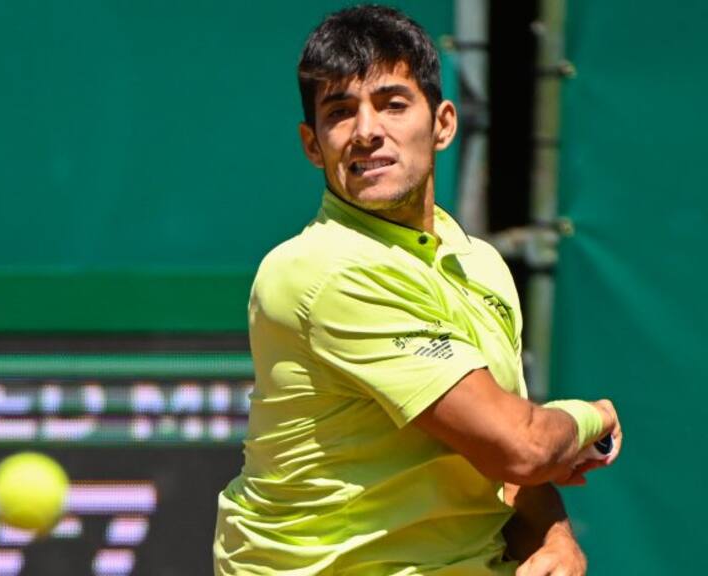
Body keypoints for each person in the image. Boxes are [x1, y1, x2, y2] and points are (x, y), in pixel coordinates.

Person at [213, 5, 622, 575]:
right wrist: (590, 416)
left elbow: (498, 465)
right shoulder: (325, 270)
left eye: (392, 104)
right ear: (313, 145)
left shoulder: (479, 264)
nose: (366, 131)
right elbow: (520, 445)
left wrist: (554, 537)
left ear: (443, 124)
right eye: (339, 112)